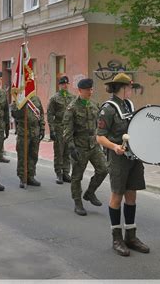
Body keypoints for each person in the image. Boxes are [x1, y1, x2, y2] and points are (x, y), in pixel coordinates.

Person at [96, 72, 149, 256]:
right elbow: (99, 137)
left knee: (132, 195)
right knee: (117, 196)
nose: (132, 91)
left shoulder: (129, 105)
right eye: (130, 88)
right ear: (122, 88)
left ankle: (131, 236)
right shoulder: (108, 109)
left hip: (134, 157)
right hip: (118, 158)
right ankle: (116, 238)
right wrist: (114, 147)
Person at [63, 78, 107, 216]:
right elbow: (67, 129)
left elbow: (99, 126)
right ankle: (78, 203)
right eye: (88, 90)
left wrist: (103, 141)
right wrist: (71, 147)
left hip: (93, 144)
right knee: (77, 177)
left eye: (91, 89)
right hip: (79, 147)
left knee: (104, 169)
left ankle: (90, 192)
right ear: (80, 90)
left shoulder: (94, 105)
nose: (90, 92)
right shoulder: (72, 107)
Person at [11, 90, 45, 189]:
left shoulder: (36, 99)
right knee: (23, 155)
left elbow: (41, 114)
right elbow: (14, 114)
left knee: (33, 155)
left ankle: (31, 176)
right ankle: (22, 177)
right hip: (24, 131)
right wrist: (21, 104)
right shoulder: (19, 99)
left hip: (35, 131)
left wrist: (42, 128)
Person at [47, 76, 76, 184]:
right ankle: (58, 173)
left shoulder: (72, 97)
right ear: (59, 85)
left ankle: (66, 173)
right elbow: (50, 114)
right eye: (63, 84)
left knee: (67, 152)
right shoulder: (54, 98)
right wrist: (52, 130)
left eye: (66, 84)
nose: (65, 85)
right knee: (59, 152)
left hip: (69, 129)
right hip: (59, 127)